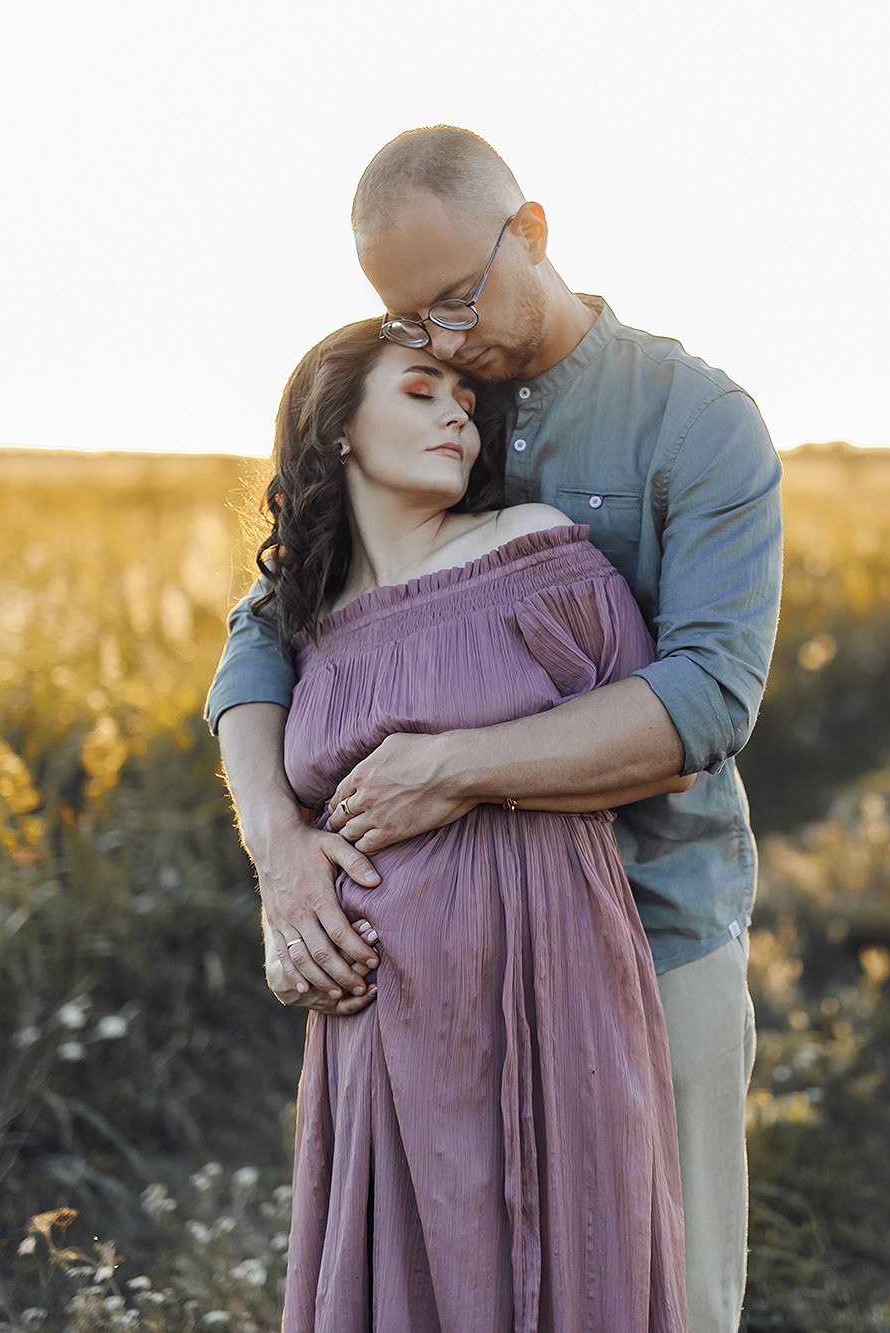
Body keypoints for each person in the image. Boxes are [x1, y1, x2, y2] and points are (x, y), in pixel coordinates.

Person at [207, 126, 782, 1332]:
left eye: (459, 300)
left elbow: (705, 700)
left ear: (531, 230)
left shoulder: (693, 420)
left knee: (660, 1293)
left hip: (655, 918)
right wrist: (279, 847)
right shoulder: (435, 419)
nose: (450, 345)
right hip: (436, 964)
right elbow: (270, 628)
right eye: (415, 324)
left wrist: (458, 771)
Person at [254, 319, 689, 1329]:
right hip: (376, 1016)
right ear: (339, 430)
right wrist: (287, 898)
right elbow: (287, 793)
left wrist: (470, 779)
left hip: (546, 975)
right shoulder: (302, 626)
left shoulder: (530, 550)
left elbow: (652, 752)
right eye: (419, 389)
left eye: (463, 397)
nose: (457, 410)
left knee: (571, 1255)